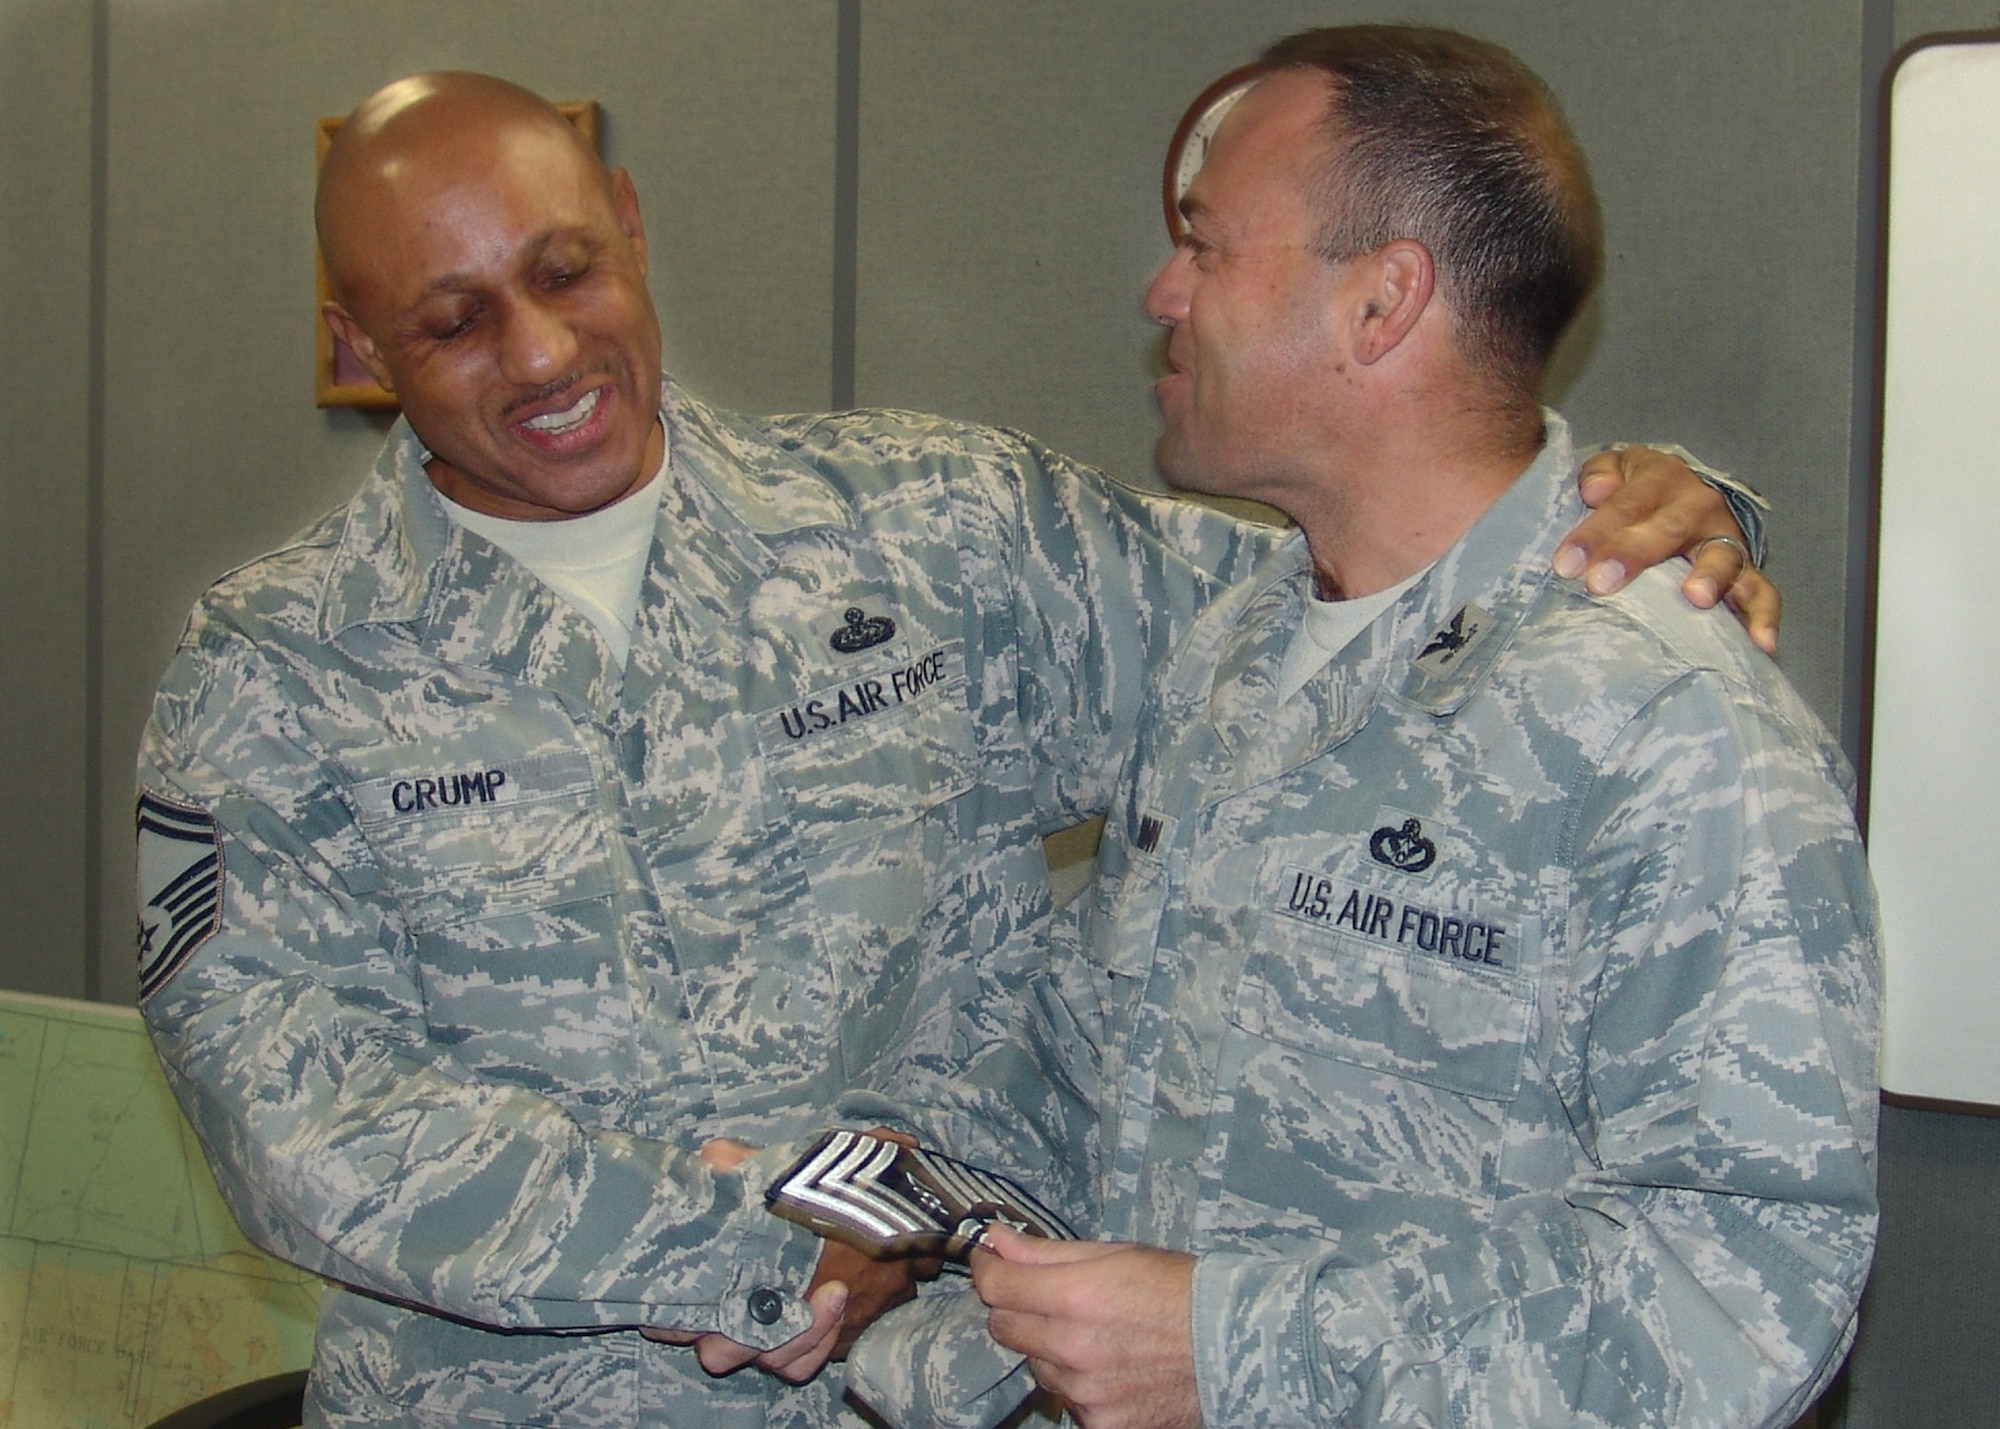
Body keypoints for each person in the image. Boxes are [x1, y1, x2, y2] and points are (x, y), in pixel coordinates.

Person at [134, 70, 1773, 1428]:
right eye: (454, 323)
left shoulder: (937, 537)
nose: (546, 355)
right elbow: (301, 1119)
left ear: (630, 230)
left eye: (567, 273)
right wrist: (753, 1241)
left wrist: (1624, 526)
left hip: (899, 1400)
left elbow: (1354, 605)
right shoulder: (277, 670)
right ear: (360, 346)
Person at [970, 26, 1878, 1429]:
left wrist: (1236, 1348)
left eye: (1206, 245)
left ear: (1383, 303)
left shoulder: (1655, 715)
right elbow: (1106, 1063)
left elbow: (1747, 1275)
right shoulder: (1240, 652)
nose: (1163, 290)